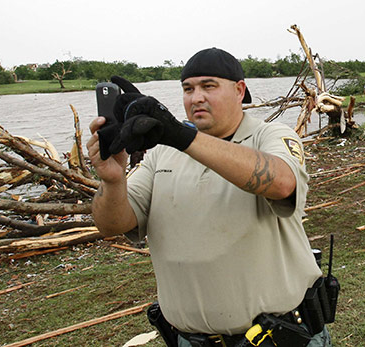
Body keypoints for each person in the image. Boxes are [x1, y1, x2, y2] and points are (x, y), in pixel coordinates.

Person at [87, 47, 333, 347]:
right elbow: (111, 225)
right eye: (188, 89)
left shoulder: (270, 136)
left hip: (276, 338)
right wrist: (112, 180)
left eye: (208, 86)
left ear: (239, 90)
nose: (196, 97)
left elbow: (281, 182)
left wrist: (180, 136)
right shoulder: (162, 154)